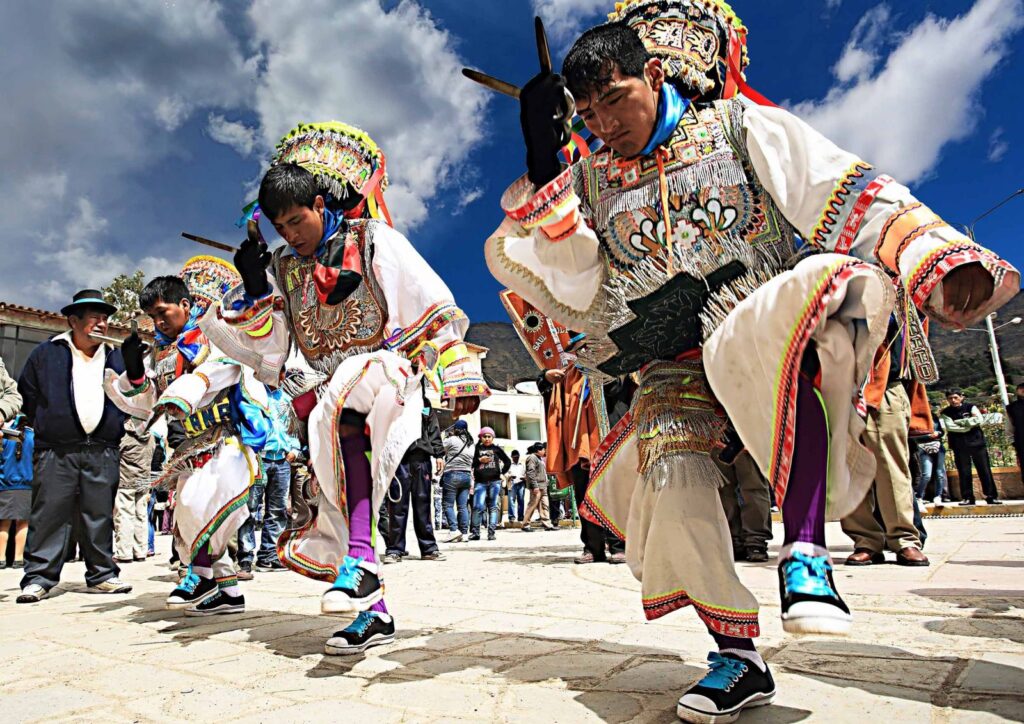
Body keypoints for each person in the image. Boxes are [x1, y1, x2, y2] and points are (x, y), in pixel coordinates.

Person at [482, 5, 1018, 720]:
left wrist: (936, 259)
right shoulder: (590, 179)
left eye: (616, 100)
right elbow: (577, 284)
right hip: (670, 356)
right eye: (588, 111)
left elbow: (846, 191)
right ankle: (736, 656)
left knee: (823, 290)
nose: (604, 123)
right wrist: (546, 165)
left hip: (752, 317)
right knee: (669, 476)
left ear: (653, 73)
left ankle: (805, 554)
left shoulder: (736, 126)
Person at [202, 122, 486, 655]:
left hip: (384, 373)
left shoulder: (372, 239)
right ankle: (371, 605)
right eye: (280, 226)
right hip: (326, 397)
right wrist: (257, 286)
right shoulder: (285, 268)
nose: (291, 234)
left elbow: (427, 298)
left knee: (349, 401)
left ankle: (358, 561)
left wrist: (455, 367)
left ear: (318, 202)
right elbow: (273, 348)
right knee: (338, 487)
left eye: (298, 219)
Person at [105, 264, 270, 616]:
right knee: (187, 515)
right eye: (152, 317)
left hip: (228, 436)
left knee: (203, 507)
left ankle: (200, 574)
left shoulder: (214, 334)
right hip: (192, 444)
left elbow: (226, 368)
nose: (158, 322)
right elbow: (151, 402)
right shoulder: (162, 354)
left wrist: (191, 387)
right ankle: (228, 592)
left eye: (163, 313)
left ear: (185, 303)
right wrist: (135, 372)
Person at [16, 289, 133, 602]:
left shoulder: (116, 356)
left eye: (105, 318)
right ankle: (39, 578)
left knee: (99, 515)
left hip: (103, 449)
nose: (101, 323)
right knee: (49, 512)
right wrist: (50, 423)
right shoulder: (46, 353)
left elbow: (132, 398)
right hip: (56, 450)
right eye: (94, 317)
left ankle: (102, 575)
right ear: (73, 320)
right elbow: (28, 394)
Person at [841, 334, 930, 567]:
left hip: (883, 386)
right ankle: (865, 540)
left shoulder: (893, 296)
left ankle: (904, 539)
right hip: (837, 388)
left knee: (891, 468)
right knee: (848, 470)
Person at [238, 384, 300, 579]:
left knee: (277, 511)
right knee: (249, 509)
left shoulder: (286, 398)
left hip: (282, 459)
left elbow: (294, 428)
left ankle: (269, 555)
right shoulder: (252, 394)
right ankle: (245, 558)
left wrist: (294, 449)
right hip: (258, 458)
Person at [384, 398, 445, 562]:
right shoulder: (393, 400)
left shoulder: (424, 403)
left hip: (422, 459)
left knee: (423, 504)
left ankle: (429, 549)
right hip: (398, 459)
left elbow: (433, 428)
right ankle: (395, 549)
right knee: (397, 506)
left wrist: (439, 454)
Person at [941, 389, 1002, 505]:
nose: (953, 400)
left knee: (984, 470)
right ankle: (968, 497)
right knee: (964, 472)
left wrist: (962, 422)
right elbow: (951, 427)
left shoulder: (971, 407)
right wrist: (969, 424)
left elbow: (979, 419)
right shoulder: (946, 412)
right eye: (950, 398)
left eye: (955, 397)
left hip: (977, 443)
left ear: (961, 397)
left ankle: (991, 496)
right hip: (959, 445)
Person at [714, 449, 772, 563]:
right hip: (716, 435)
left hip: (748, 435)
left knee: (753, 484)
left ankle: (756, 541)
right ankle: (735, 540)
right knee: (724, 487)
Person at [114, 419, 155, 563]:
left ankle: (124, 553)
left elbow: (115, 456)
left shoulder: (124, 437)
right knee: (141, 516)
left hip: (125, 481)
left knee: (125, 516)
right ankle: (141, 551)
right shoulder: (151, 437)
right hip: (143, 481)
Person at [470, 427, 511, 541]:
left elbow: (507, 461)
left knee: (493, 507)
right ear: (480, 437)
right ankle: (475, 533)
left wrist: (502, 473)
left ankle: (491, 532)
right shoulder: (476, 449)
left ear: (493, 438)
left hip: (495, 482)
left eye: (489, 436)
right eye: (485, 436)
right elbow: (471, 463)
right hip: (480, 483)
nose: (487, 439)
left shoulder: (497, 449)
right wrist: (479, 460)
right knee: (477, 507)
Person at [441, 420, 475, 542]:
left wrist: (447, 436)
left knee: (448, 504)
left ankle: (454, 530)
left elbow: (440, 447)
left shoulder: (452, 440)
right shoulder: (471, 443)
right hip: (466, 475)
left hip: (452, 474)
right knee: (462, 506)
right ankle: (464, 533)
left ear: (456, 429)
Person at [912, 413, 949, 504]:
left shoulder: (934, 417)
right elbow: (912, 436)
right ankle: (919, 496)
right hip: (923, 447)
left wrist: (938, 433)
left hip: (938, 446)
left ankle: (938, 496)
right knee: (926, 474)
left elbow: (941, 431)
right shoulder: (916, 418)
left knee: (940, 473)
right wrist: (928, 436)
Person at [521, 443, 555, 532]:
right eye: (543, 449)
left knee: (545, 506)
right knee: (532, 505)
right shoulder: (532, 458)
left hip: (543, 486)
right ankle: (525, 524)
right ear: (538, 450)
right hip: (537, 487)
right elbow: (530, 472)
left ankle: (547, 524)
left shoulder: (540, 458)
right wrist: (535, 486)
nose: (545, 451)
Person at [1006, 383, 1024, 485]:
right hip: (1021, 442)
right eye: (1021, 388)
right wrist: (1012, 441)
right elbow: (1009, 426)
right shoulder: (1012, 408)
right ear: (1017, 391)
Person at [505, 450, 526, 524]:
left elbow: (526, 473)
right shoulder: (509, 465)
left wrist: (524, 478)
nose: (516, 458)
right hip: (512, 483)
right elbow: (505, 473)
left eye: (517, 457)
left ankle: (521, 516)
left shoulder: (522, 464)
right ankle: (512, 517)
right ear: (511, 457)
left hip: (521, 483)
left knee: (521, 500)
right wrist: (510, 476)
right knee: (511, 501)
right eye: (514, 457)